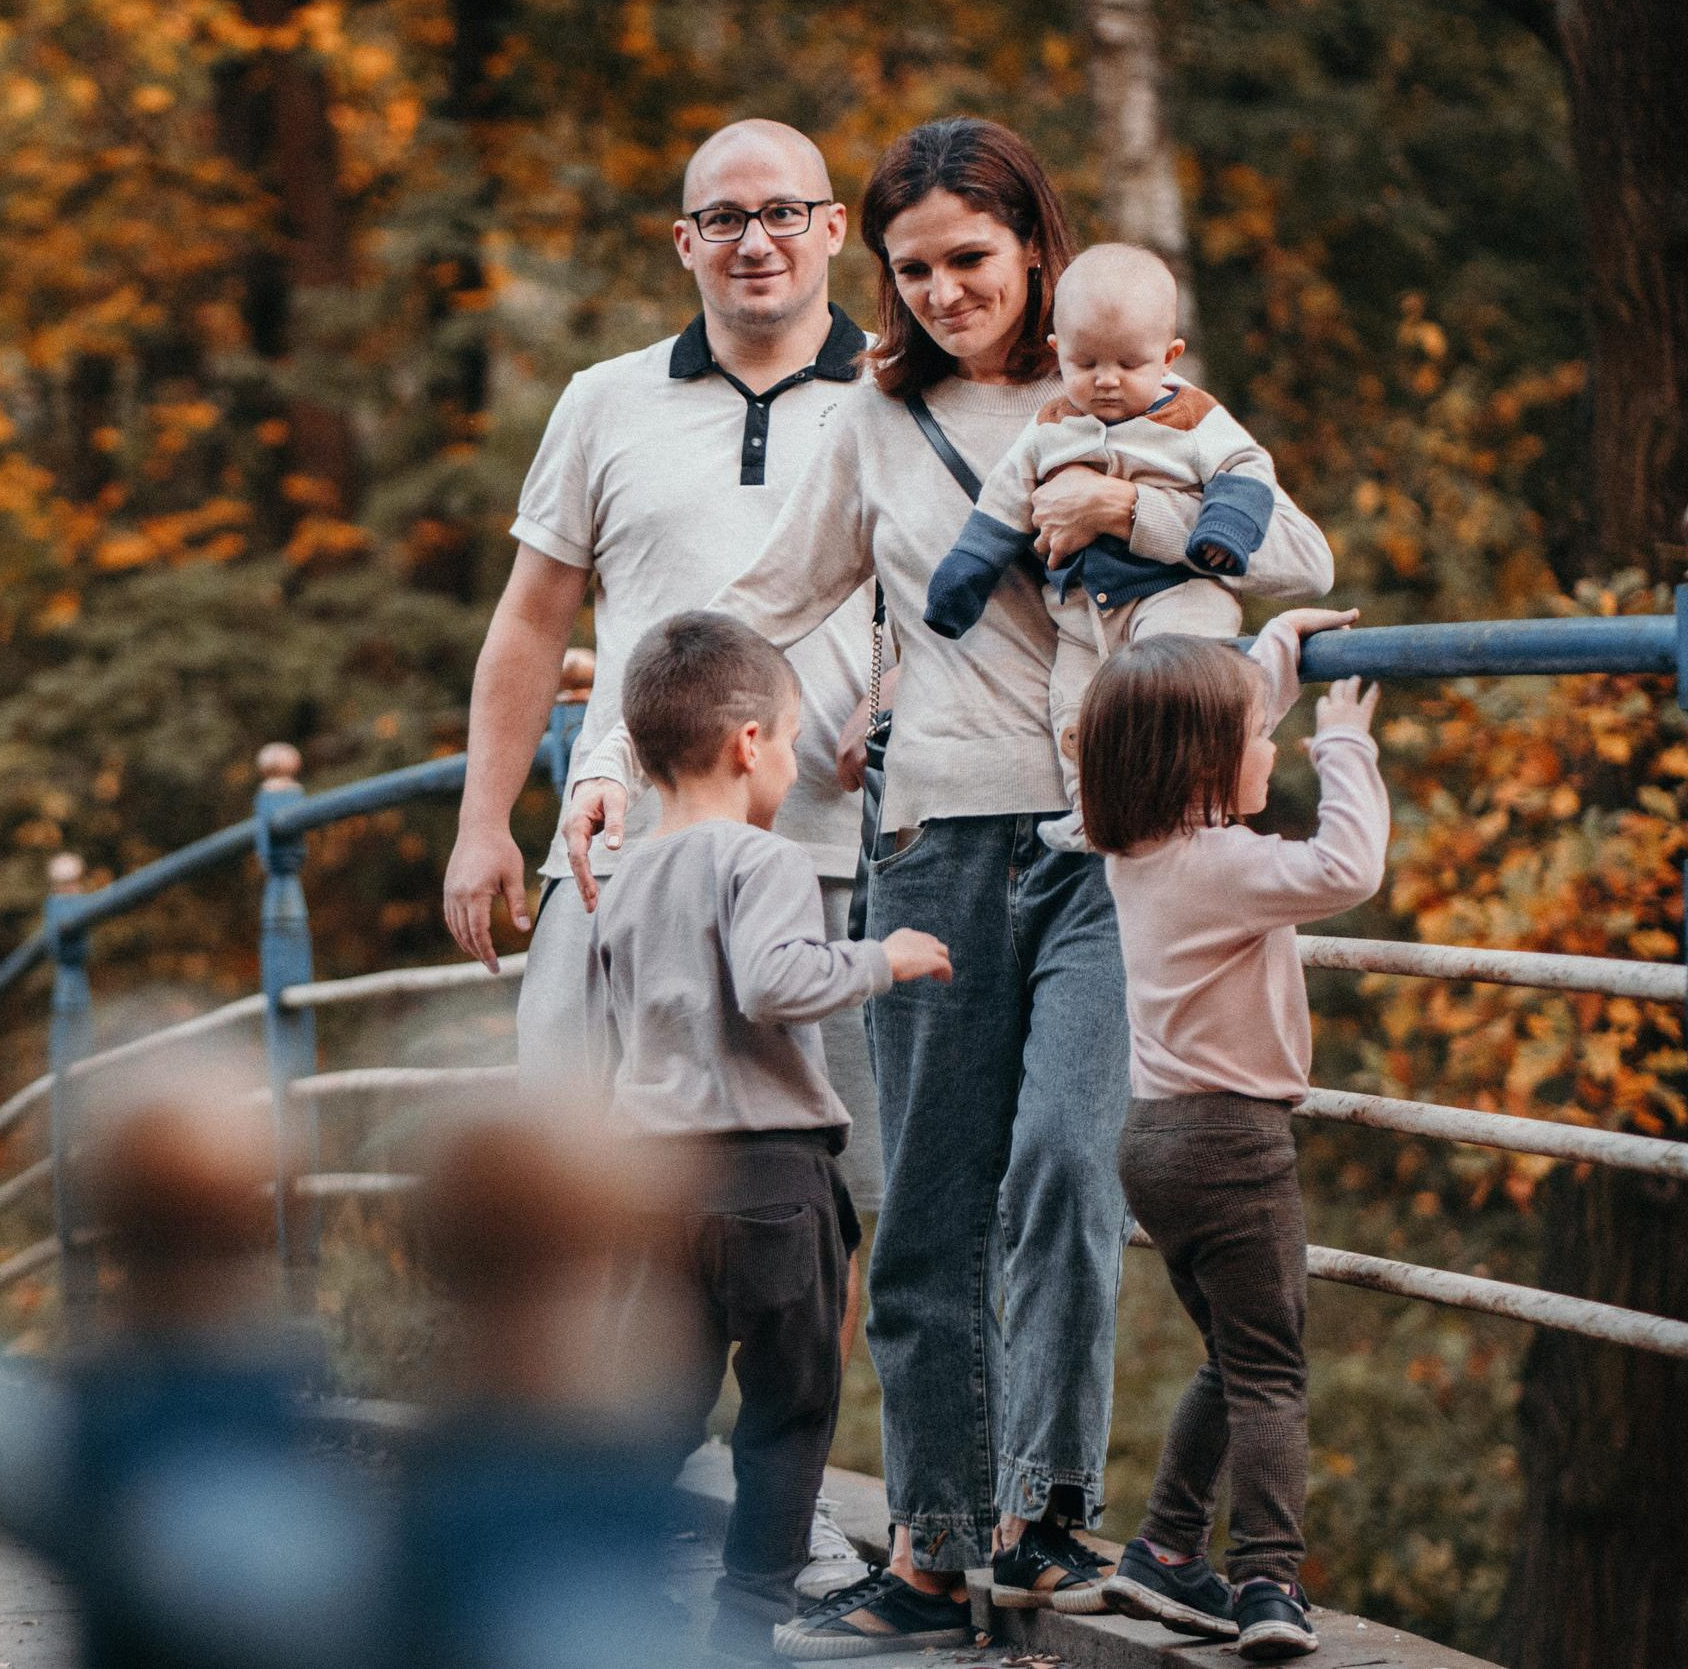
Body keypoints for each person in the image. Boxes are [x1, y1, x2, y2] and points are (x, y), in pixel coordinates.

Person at [564, 118, 1334, 1660]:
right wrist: (618, 754)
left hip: (1110, 846)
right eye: (911, 270)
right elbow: (760, 604)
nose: (940, 293)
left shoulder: (1132, 392)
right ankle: (930, 1551)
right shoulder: (874, 418)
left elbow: (1293, 551)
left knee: (1062, 1161)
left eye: (969, 261)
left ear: (1035, 249)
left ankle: (1040, 1511)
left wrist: (1134, 512)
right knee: (921, 1218)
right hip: (935, 844)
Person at [440, 121, 888, 1570]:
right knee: (586, 1165)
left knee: (825, 1204)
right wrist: (482, 822)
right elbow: (531, 621)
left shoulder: (899, 394)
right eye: (724, 217)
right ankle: (587, 1489)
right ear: (682, 240)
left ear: (831, 229)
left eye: (785, 213)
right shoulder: (605, 400)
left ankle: (784, 1510)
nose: (755, 239)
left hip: (838, 854)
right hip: (615, 856)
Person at [587, 612, 953, 1661]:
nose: (792, 761)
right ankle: (747, 1620)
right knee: (791, 1408)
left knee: (659, 1402)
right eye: (790, 740)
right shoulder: (763, 860)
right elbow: (777, 980)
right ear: (750, 743)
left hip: (656, 1181)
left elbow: (617, 1042)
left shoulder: (621, 885)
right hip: (769, 1179)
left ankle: (609, 1575)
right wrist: (885, 957)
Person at [1081, 611, 1387, 1663]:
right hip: (1233, 1145)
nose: (1273, 746)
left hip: (1155, 1142)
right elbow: (1349, 868)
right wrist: (1342, 743)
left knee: (1232, 1354)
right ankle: (1267, 1581)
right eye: (1258, 737)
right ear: (1206, 765)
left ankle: (1164, 1549)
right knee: (1272, 1372)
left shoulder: (1133, 850)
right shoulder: (1227, 866)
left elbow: (1205, 735)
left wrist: (1271, 664)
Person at [922, 243, 1287, 850]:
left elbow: (1248, 468)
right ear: (1056, 351)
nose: (1107, 379)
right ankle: (1091, 813)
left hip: (1174, 595)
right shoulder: (1048, 427)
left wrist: (1222, 529)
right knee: (1078, 710)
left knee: (1171, 691)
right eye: (1086, 362)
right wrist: (962, 578)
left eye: (1130, 364)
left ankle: (1183, 814)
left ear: (1169, 357)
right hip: (1082, 613)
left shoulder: (1193, 417)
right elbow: (1000, 508)